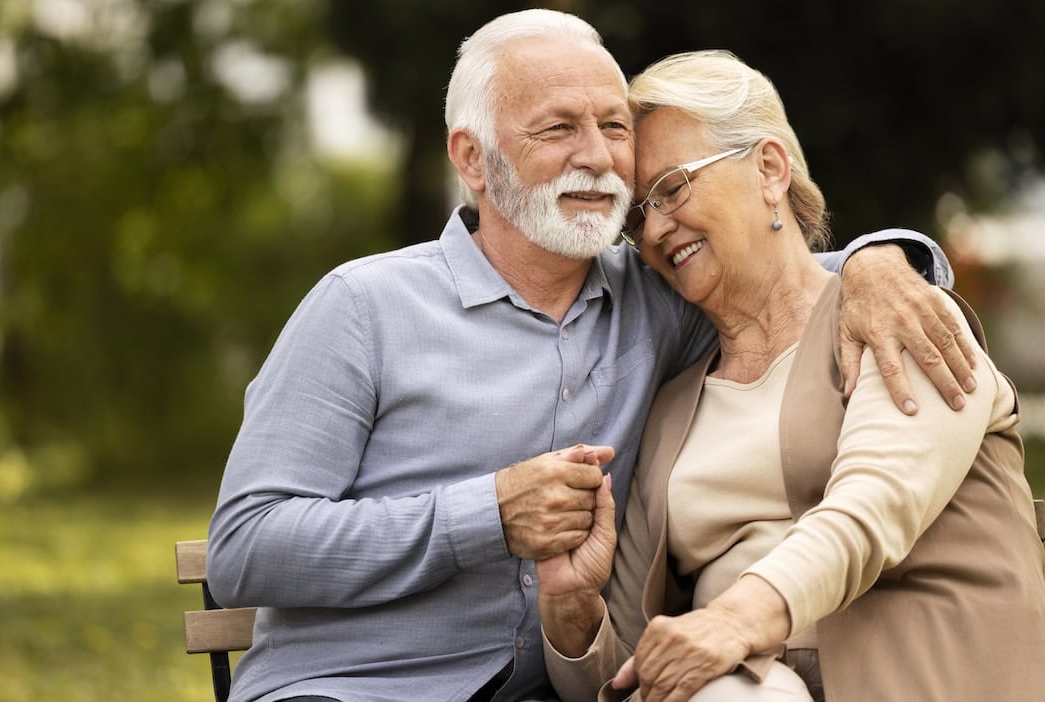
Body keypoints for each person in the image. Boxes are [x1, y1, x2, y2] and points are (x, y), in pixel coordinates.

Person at [206, 11, 974, 702]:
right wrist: (487, 516)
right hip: (348, 690)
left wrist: (885, 259)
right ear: (473, 159)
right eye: (558, 129)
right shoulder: (362, 308)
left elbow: (788, 281)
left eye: (614, 127)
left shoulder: (661, 297)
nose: (599, 158)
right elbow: (244, 548)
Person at [538, 50, 1045, 702]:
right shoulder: (672, 408)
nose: (654, 228)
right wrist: (570, 609)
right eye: (636, 214)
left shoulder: (900, 317)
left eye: (673, 188)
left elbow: (871, 510)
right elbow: (621, 674)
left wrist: (730, 622)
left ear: (769, 169)